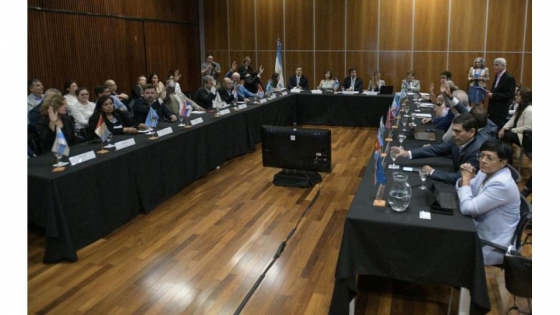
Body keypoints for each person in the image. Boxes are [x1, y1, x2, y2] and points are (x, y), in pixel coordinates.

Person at [456, 139, 520, 265]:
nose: (483, 161)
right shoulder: (485, 171)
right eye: (482, 155)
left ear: (503, 163)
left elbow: (468, 208)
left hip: (491, 243)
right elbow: (467, 188)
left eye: (489, 158)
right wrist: (466, 180)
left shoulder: (502, 184)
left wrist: (466, 179)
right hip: (478, 228)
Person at [391, 113, 485, 184]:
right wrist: (406, 153)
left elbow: (460, 178)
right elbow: (436, 149)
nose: (453, 134)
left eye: (457, 131)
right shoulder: (459, 140)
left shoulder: (478, 152)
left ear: (471, 132)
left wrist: (432, 172)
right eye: (453, 130)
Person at [486, 58, 516, 130]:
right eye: (494, 65)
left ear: (503, 66)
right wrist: (490, 93)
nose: (494, 67)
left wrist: (493, 95)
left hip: (500, 110)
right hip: (492, 109)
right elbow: (497, 90)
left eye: (496, 65)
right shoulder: (497, 76)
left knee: (497, 129)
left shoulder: (509, 78)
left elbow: (510, 95)